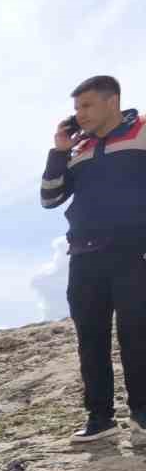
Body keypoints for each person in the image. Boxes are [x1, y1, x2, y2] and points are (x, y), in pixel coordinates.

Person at [41, 74, 146, 444]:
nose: (79, 114)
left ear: (111, 101)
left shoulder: (143, 132)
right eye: (76, 109)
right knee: (91, 338)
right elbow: (50, 198)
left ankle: (143, 415)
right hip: (84, 256)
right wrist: (58, 151)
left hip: (134, 252)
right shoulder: (78, 147)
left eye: (86, 106)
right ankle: (99, 418)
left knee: (138, 332)